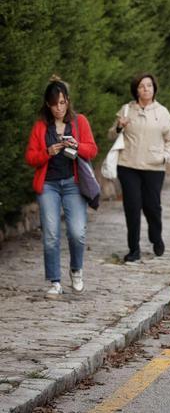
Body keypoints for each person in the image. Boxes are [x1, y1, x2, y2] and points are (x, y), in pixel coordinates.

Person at [25, 78, 98, 296]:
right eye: (55, 104)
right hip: (48, 185)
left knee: (77, 232)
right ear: (48, 104)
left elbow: (92, 150)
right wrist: (47, 152)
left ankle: (76, 270)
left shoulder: (79, 121)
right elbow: (30, 158)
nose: (59, 108)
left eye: (63, 102)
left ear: (68, 101)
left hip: (73, 183)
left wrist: (77, 145)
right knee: (51, 234)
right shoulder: (40, 126)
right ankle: (55, 281)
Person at [112, 73, 170, 263]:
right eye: (142, 86)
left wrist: (165, 156)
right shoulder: (126, 110)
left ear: (154, 88)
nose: (146, 89)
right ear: (136, 90)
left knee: (152, 207)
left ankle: (156, 237)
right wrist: (119, 127)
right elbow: (111, 135)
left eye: (149, 85)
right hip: (128, 165)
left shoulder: (162, 112)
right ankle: (134, 249)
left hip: (154, 167)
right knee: (132, 208)